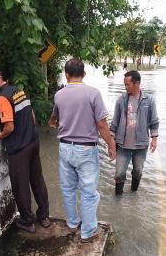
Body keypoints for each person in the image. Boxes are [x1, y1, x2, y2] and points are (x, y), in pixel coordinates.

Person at [48, 58, 116, 243]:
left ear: (66, 75)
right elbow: (101, 124)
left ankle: (72, 223)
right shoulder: (93, 94)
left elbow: (54, 118)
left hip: (64, 148)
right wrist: (111, 144)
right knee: (88, 192)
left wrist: (57, 122)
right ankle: (87, 232)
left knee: (68, 188)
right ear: (84, 74)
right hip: (86, 150)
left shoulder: (59, 95)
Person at [0, 65, 50, 233]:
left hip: (19, 147)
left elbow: (9, 127)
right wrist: (28, 131)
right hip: (33, 142)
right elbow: (31, 115)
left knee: (21, 186)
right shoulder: (18, 91)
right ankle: (44, 216)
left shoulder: (2, 98)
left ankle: (27, 221)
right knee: (37, 180)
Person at [110, 70, 159, 196]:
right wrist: (111, 142)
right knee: (119, 173)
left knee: (138, 171)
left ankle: (133, 195)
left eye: (128, 84)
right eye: (124, 84)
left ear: (137, 83)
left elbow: (154, 121)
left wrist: (154, 138)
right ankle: (118, 200)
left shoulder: (149, 100)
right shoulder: (121, 100)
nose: (125, 87)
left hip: (141, 145)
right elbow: (114, 122)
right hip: (122, 145)